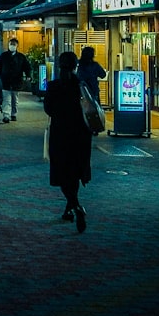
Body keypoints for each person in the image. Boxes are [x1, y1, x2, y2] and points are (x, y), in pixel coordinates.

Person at [43, 51, 94, 233]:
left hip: (60, 134)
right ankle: (70, 208)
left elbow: (48, 109)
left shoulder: (54, 86)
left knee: (62, 172)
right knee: (75, 171)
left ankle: (75, 206)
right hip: (81, 135)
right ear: (75, 66)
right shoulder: (81, 85)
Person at [0, 38, 30, 123]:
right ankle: (6, 115)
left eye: (14, 44)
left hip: (16, 81)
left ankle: (13, 114)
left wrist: (28, 75)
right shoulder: (3, 56)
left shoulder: (21, 57)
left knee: (15, 100)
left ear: (17, 46)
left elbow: (27, 67)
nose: (12, 46)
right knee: (6, 99)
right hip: (5, 81)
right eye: (11, 44)